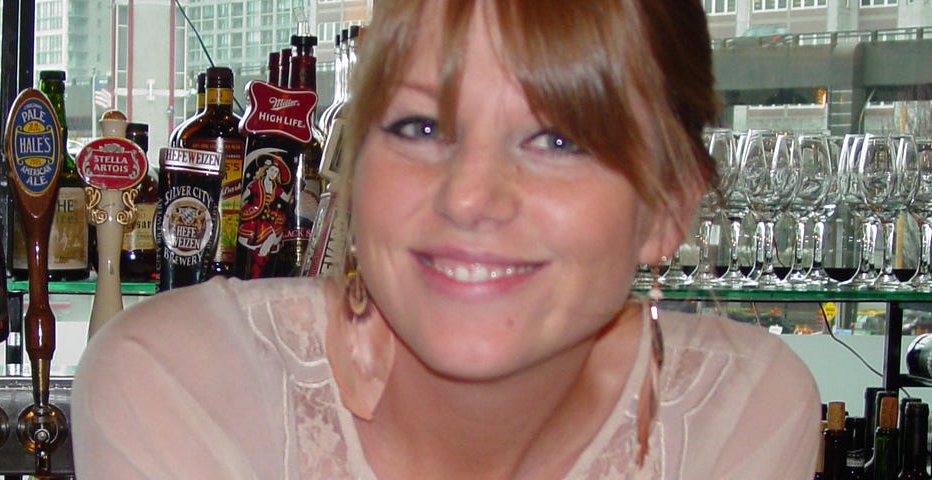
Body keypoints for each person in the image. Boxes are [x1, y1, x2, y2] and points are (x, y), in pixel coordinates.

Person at [71, 0, 821, 477]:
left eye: (559, 140)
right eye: (419, 127)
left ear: (667, 205)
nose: (468, 196)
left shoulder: (737, 414)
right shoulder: (183, 388)